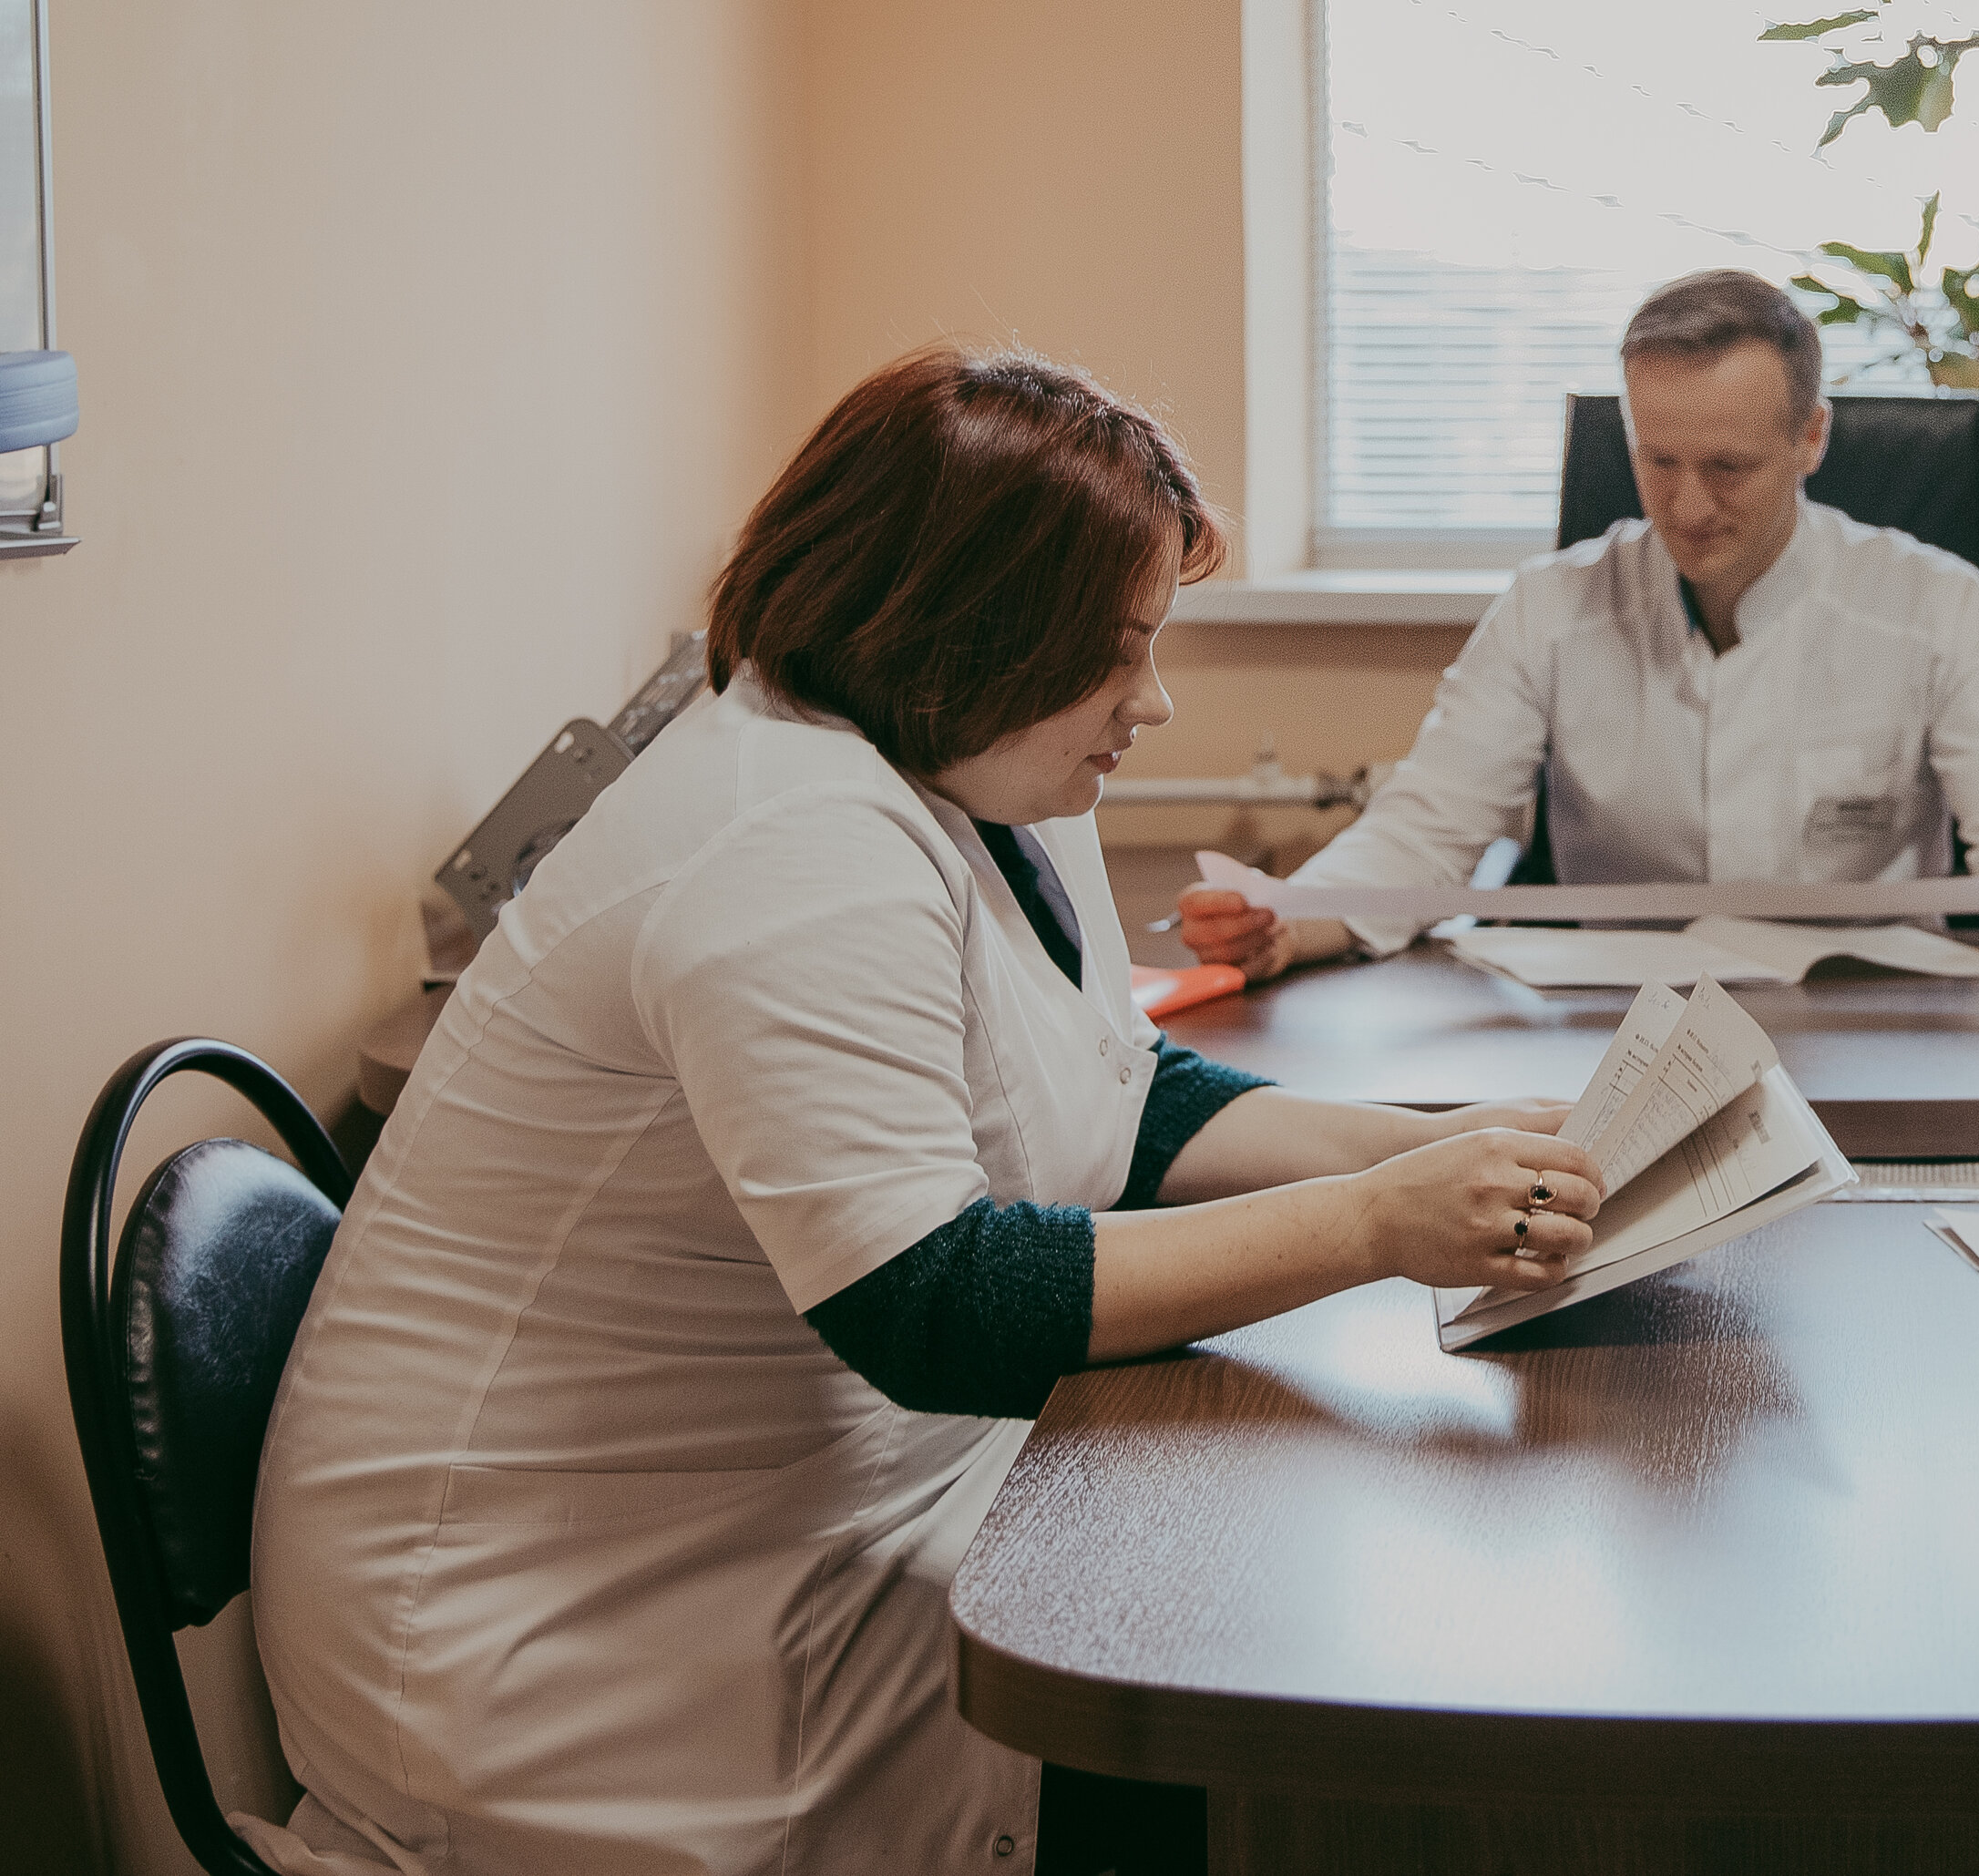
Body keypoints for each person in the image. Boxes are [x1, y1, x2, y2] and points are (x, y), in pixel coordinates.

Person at [244, 347, 1605, 1876]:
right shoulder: (787, 843)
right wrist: (1375, 1225)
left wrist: (1429, 1144)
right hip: (558, 1641)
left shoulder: (977, 776)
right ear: (965, 629)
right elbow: (933, 1300)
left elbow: (1117, 1089)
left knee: (1237, 1565)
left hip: (783, 1506)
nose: (1152, 702)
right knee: (1249, 1638)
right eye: (1118, 650)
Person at [1176, 268, 1979, 985]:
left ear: (1811, 436)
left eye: (1728, 467)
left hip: (1864, 1021)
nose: (1688, 505)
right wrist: (1287, 922)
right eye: (1658, 461)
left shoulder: (1933, 602)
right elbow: (1426, 825)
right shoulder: (1550, 605)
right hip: (1604, 1027)